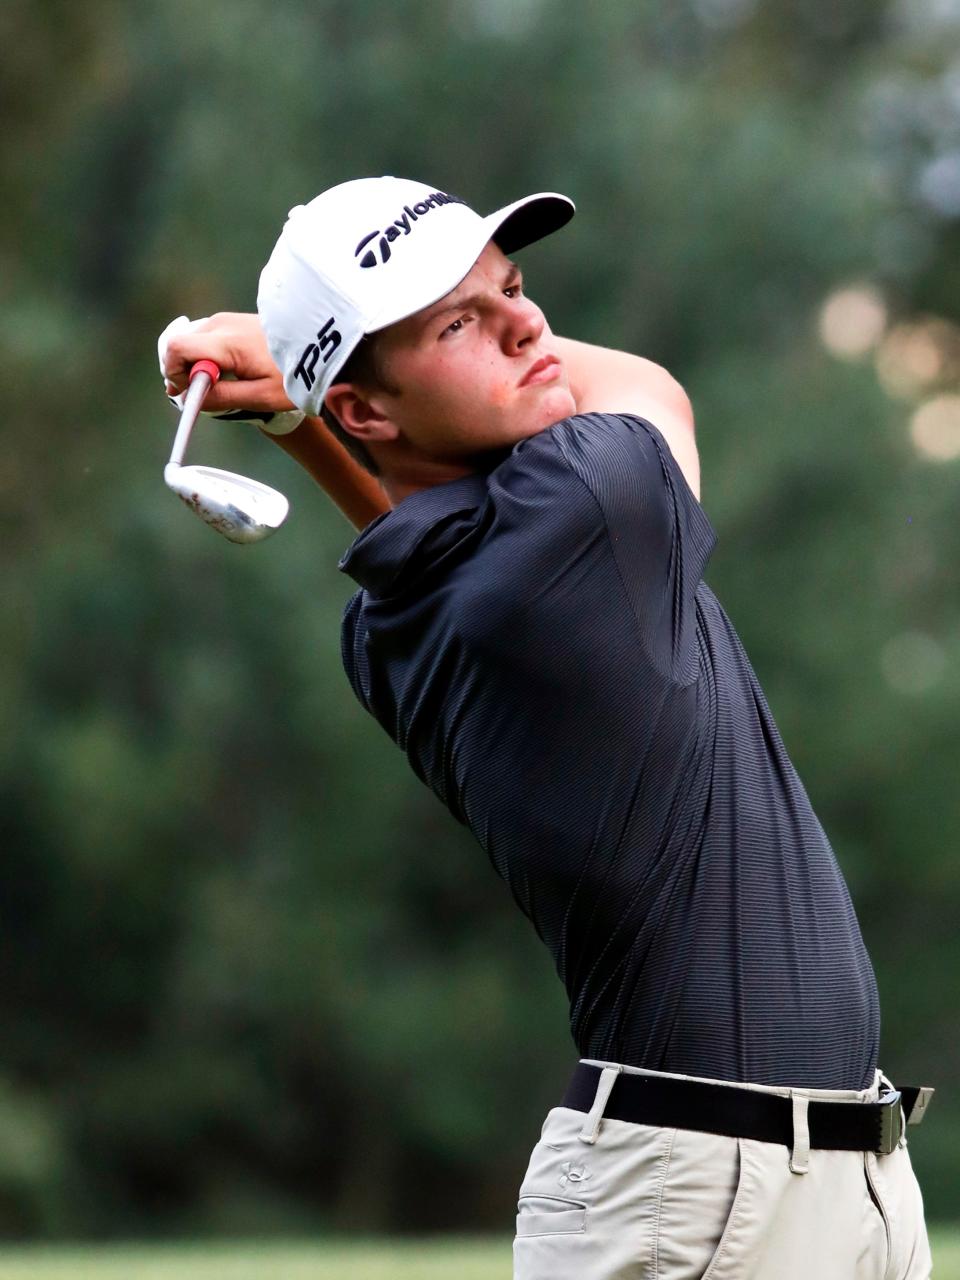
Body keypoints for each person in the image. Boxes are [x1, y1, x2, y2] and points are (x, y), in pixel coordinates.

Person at [161, 176, 934, 1279]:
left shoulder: (388, 627)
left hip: (792, 1179)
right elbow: (650, 385)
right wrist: (297, 383)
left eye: (514, 287)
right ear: (368, 408)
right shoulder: (591, 496)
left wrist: (303, 416)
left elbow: (412, 526)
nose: (529, 323)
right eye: (460, 321)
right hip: (704, 1195)